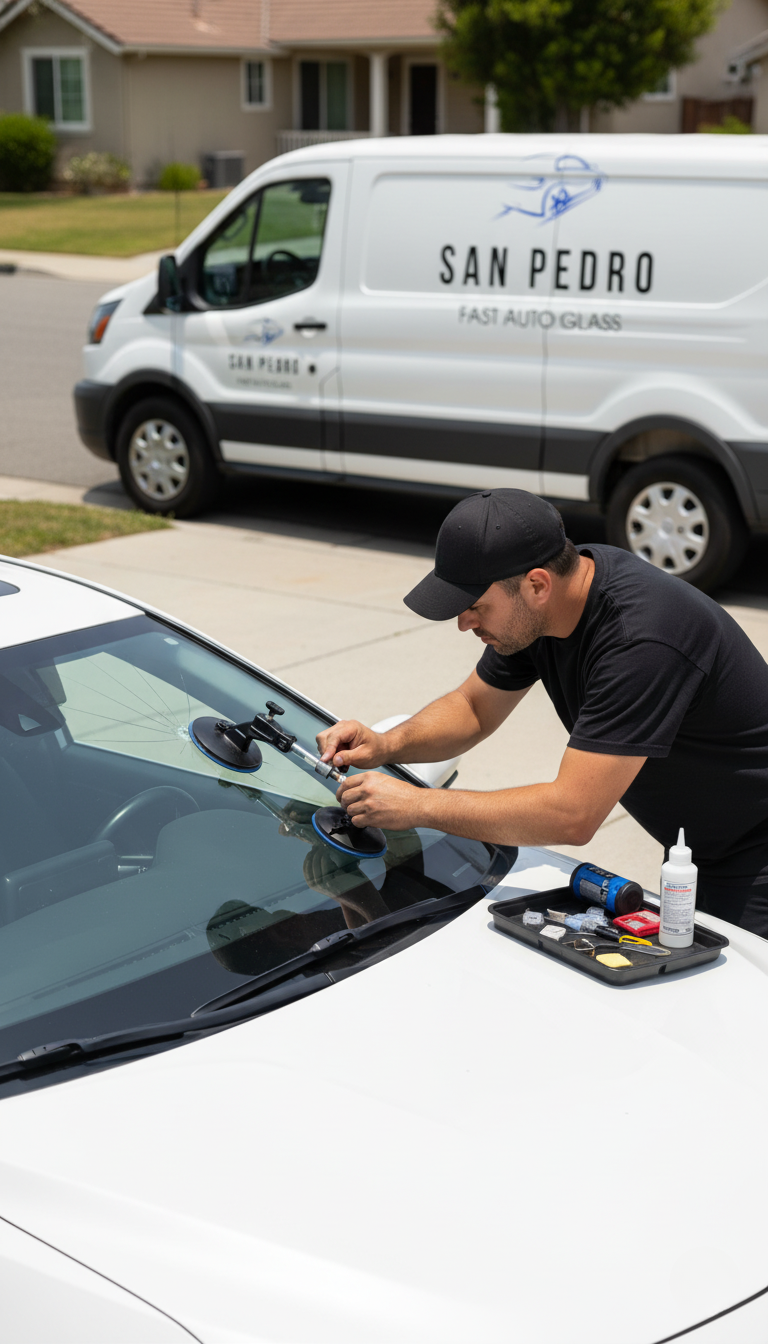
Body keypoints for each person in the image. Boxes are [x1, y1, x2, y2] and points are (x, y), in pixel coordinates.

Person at [316, 488, 768, 937]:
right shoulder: (547, 608)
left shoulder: (641, 641)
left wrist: (417, 806)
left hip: (754, 852)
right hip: (710, 848)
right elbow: (473, 707)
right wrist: (385, 744)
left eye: (475, 606)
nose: (463, 622)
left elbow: (573, 813)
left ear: (536, 584)